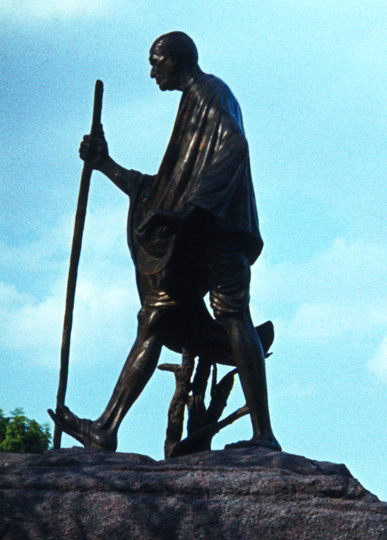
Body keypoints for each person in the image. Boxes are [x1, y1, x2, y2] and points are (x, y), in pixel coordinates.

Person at [55, 31, 279, 454]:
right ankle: (106, 428)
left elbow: (235, 146)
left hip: (217, 230)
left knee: (233, 316)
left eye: (157, 61)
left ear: (178, 59)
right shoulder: (192, 103)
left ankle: (264, 436)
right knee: (155, 319)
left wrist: (190, 213)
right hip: (192, 235)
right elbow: (164, 189)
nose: (152, 70)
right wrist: (105, 165)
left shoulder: (211, 93)